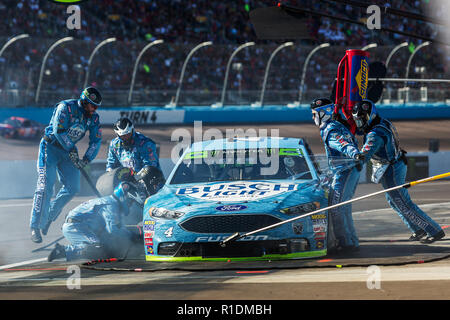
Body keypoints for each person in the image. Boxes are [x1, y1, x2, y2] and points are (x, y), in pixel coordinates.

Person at [352, 100, 445, 243]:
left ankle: (434, 230)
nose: (359, 124)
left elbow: (364, 155)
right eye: (357, 120)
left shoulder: (374, 135)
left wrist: (353, 161)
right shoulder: (381, 122)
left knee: (402, 203)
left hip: (391, 169)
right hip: (395, 163)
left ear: (369, 116)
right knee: (394, 202)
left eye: (361, 120)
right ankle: (417, 229)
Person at [30, 87, 103, 243]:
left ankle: (49, 216)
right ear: (84, 102)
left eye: (96, 107)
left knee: (73, 187)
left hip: (69, 152)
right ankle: (35, 225)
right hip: (50, 147)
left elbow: (96, 141)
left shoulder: (94, 118)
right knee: (45, 186)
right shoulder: (66, 107)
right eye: (93, 106)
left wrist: (86, 159)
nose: (94, 110)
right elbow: (59, 130)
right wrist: (71, 149)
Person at [47, 181, 145, 262]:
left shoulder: (110, 202)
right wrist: (133, 236)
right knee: (98, 247)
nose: (130, 205)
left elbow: (113, 230)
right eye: (130, 202)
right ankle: (63, 251)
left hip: (79, 226)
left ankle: (80, 248)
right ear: (125, 198)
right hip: (77, 226)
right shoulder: (111, 205)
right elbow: (113, 230)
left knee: (105, 249)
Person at [311, 98, 362, 253]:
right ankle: (351, 240)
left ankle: (345, 242)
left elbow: (341, 144)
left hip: (344, 170)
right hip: (347, 169)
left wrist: (354, 154)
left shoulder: (330, 129)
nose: (313, 118)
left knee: (336, 208)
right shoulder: (336, 125)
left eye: (314, 114)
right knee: (343, 207)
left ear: (322, 113)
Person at [107, 117, 164, 195]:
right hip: (130, 184)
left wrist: (135, 178)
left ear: (132, 130)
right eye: (123, 136)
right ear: (117, 135)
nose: (126, 138)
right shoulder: (114, 144)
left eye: (128, 134)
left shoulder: (145, 143)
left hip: (151, 182)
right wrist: (110, 177)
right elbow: (111, 165)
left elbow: (150, 166)